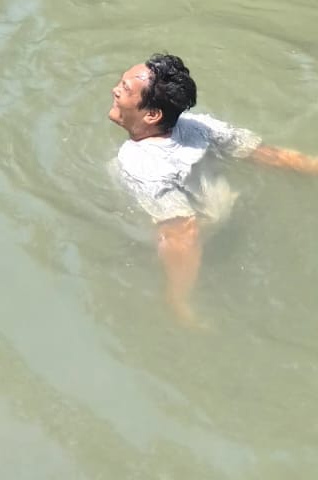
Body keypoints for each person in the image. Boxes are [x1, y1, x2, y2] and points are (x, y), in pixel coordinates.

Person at [110, 53, 318, 326]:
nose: (115, 89)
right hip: (225, 210)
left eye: (125, 88)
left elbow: (184, 233)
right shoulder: (199, 125)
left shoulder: (138, 163)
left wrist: (178, 299)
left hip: (203, 234)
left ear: (152, 114)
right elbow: (267, 155)